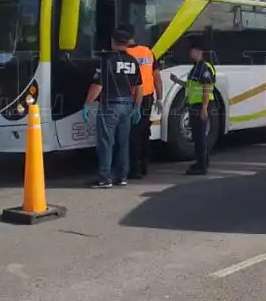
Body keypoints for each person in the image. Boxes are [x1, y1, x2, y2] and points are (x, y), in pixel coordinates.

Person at [82, 28, 143, 188]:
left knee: (106, 142)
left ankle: (104, 178)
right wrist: (137, 106)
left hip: (110, 105)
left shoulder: (106, 60)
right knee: (123, 143)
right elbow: (138, 87)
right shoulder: (133, 62)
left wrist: (87, 104)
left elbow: (97, 85)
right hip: (127, 104)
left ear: (114, 42)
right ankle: (122, 177)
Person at [120, 24, 163, 179]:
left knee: (132, 135)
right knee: (144, 131)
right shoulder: (147, 52)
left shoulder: (123, 53)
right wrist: (160, 98)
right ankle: (144, 165)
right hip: (148, 97)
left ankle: (134, 169)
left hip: (131, 98)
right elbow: (156, 77)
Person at [170, 38, 216, 175]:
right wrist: (177, 81)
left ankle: (201, 166)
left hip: (200, 105)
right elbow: (191, 86)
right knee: (197, 136)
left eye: (192, 52)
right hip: (195, 105)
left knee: (200, 137)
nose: (190, 54)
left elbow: (206, 87)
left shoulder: (205, 67)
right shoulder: (196, 67)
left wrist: (204, 108)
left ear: (199, 52)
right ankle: (202, 162)